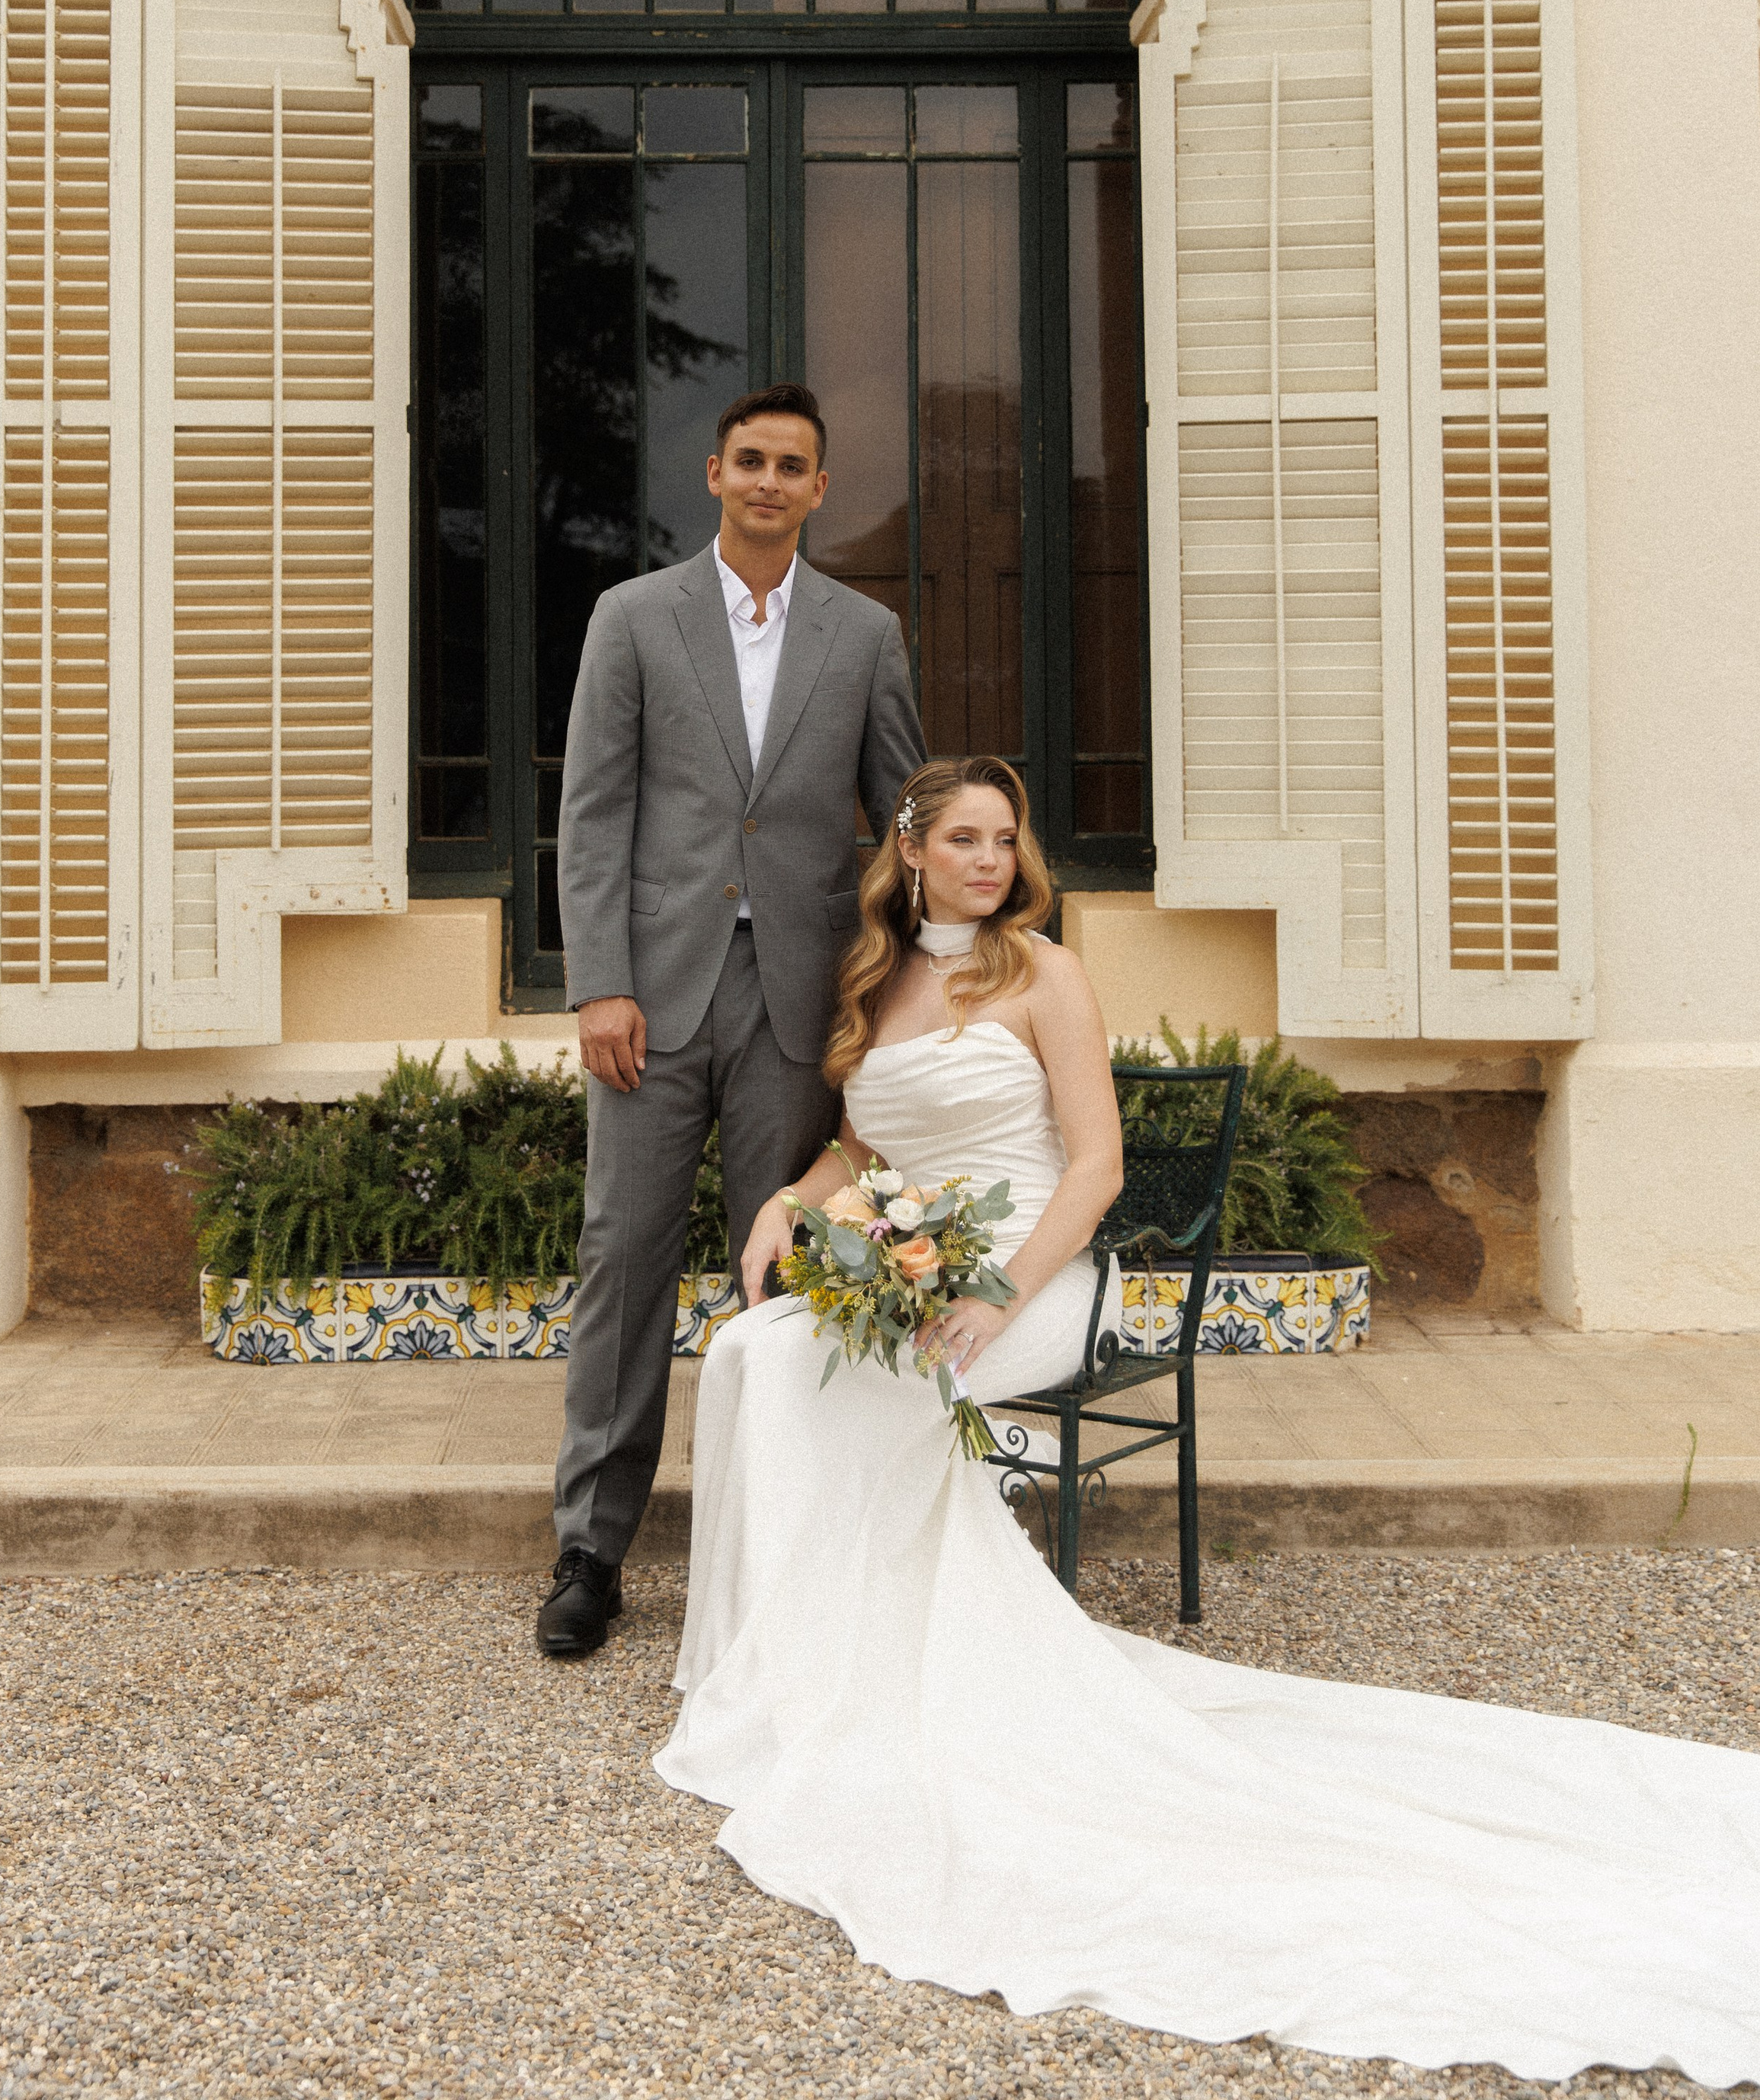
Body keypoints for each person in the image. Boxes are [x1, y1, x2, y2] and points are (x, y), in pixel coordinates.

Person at [655, 758, 1760, 2085]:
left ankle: (845, 1663)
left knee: (827, 1379)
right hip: (924, 1264)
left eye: (1006, 838)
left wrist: (1000, 1293)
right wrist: (792, 1200)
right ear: (914, 851)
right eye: (966, 839)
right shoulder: (874, 980)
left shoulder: (1044, 973)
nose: (991, 859)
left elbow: (1097, 1166)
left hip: (1039, 1280)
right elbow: (866, 1150)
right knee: (752, 1350)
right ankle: (792, 1655)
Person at [542, 383, 926, 1658]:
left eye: (791, 465)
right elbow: (594, 811)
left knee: (787, 1269)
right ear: (714, 473)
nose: (768, 480)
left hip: (799, 1000)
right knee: (626, 1258)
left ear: (821, 488)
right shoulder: (632, 618)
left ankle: (782, 1547)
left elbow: (906, 827)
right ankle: (592, 1549)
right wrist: (600, 979)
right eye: (749, 459)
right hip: (651, 999)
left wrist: (912, 993)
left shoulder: (864, 635)